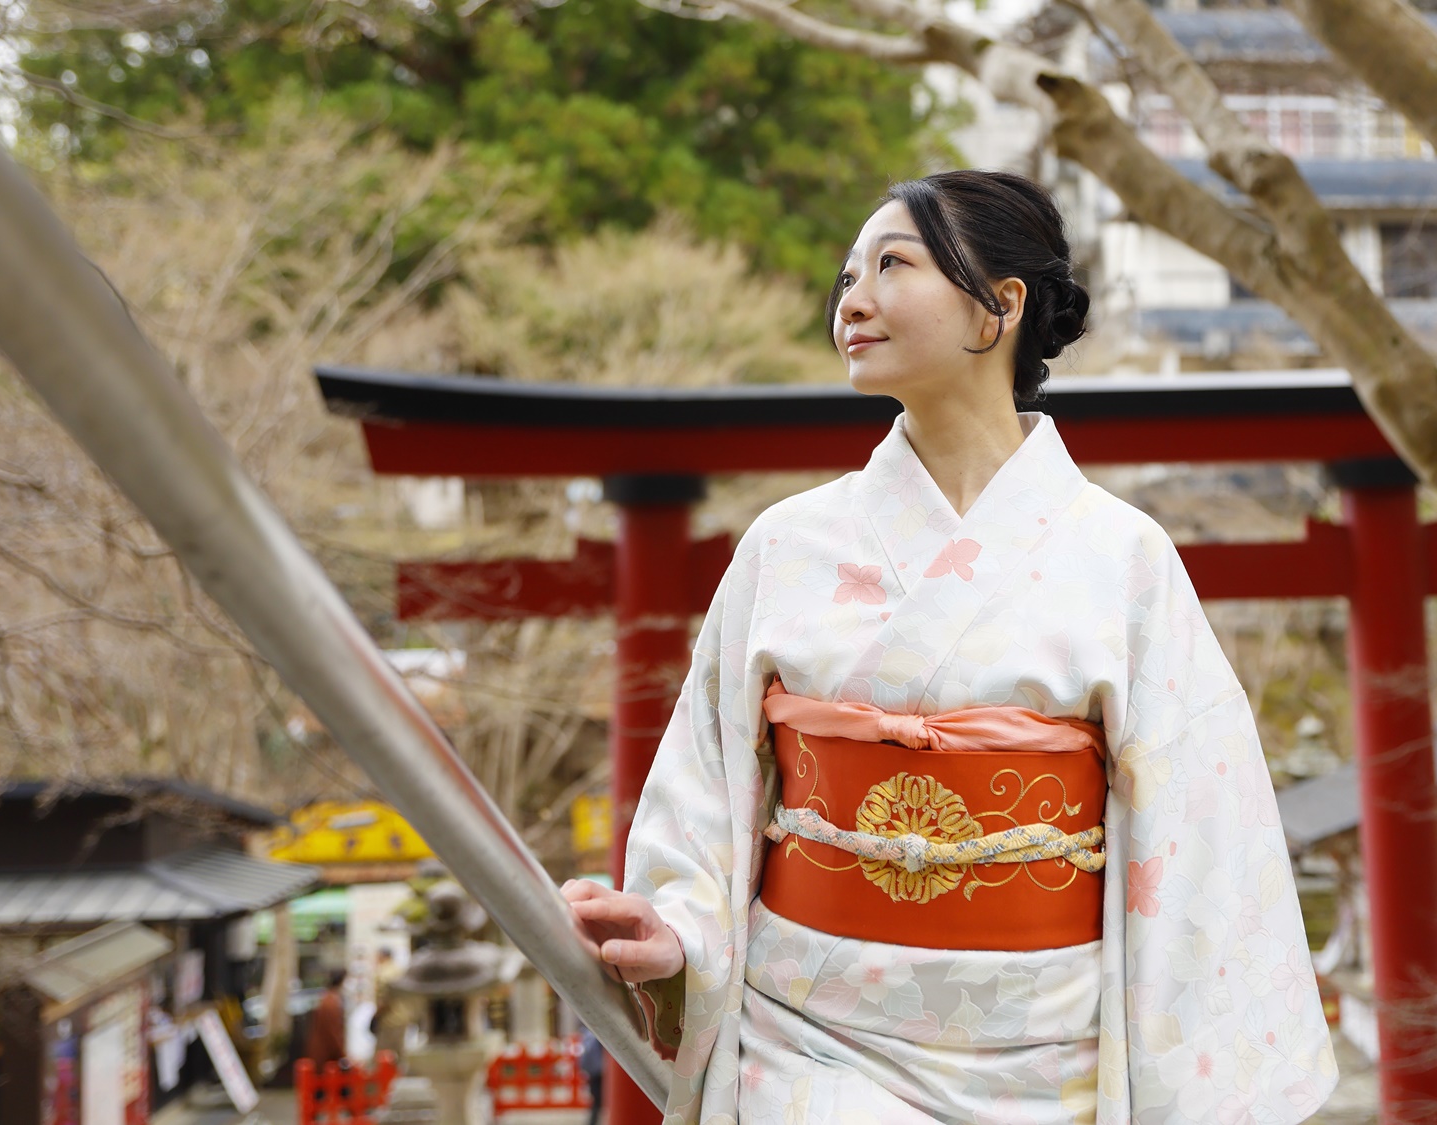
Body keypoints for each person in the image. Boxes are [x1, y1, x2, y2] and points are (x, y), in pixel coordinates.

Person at [561, 170, 1336, 1123]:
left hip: (1048, 1065)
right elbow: (704, 785)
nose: (854, 298)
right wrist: (675, 927)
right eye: (848, 275)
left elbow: (1199, 832)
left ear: (999, 307)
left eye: (893, 264)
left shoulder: (1121, 554)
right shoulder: (786, 545)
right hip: (806, 1048)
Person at [303, 969, 348, 1065]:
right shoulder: (331, 1003)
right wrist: (342, 1055)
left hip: (323, 1052)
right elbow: (333, 1032)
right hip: (326, 1056)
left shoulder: (327, 998)